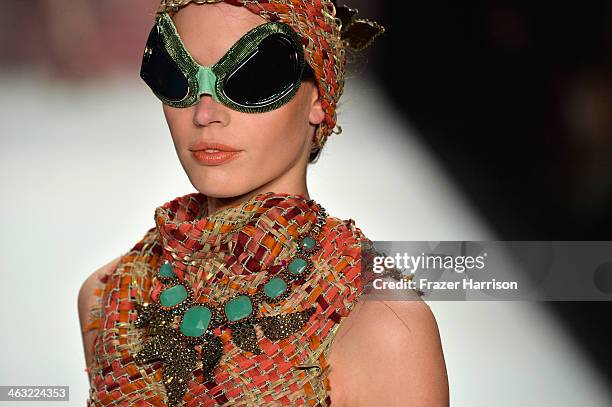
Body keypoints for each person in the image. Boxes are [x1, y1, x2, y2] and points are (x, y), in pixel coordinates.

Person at [78, 0, 449, 405]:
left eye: (254, 77)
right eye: (176, 76)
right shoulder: (109, 294)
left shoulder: (380, 325)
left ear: (319, 100)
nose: (205, 114)